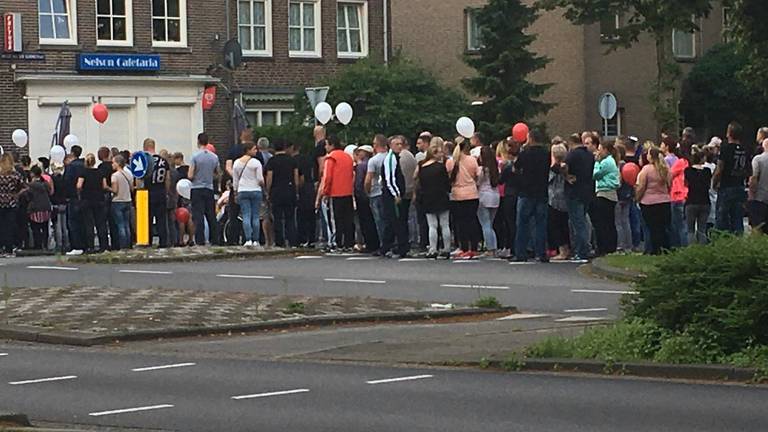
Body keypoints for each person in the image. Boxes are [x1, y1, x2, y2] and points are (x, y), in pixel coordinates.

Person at [514, 128, 550, 263]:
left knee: (523, 224)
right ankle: (541, 253)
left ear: (531, 139)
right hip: (542, 192)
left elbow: (516, 168)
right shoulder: (546, 153)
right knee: (541, 224)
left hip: (526, 192)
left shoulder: (525, 153)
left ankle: (521, 253)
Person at [316, 135, 355, 252]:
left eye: (327, 144)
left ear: (332, 145)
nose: (326, 147)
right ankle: (349, 243)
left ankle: (337, 243)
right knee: (348, 219)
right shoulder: (348, 157)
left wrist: (325, 192)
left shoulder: (331, 158)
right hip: (347, 191)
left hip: (335, 192)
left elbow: (327, 177)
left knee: (336, 220)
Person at [713, 122, 752, 234]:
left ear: (729, 133)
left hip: (727, 186)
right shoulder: (745, 149)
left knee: (722, 219)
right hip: (739, 186)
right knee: (737, 218)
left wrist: (714, 182)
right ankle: (737, 242)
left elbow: (720, 168)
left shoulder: (726, 148)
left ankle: (722, 242)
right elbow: (749, 169)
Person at [416, 139, 452, 259]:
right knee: (444, 224)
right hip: (441, 196)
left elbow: (420, 182)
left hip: (428, 197)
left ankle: (433, 249)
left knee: (432, 225)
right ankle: (446, 248)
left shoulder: (422, 167)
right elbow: (446, 183)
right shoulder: (440, 167)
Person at [447, 139, 481, 259]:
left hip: (457, 195)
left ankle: (464, 247)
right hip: (472, 193)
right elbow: (477, 175)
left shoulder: (451, 162)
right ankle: (474, 248)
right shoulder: (472, 160)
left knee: (461, 223)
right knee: (472, 221)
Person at [565, 134, 595, 260]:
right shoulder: (589, 155)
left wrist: (566, 176)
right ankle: (585, 248)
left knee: (578, 223)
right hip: (587, 191)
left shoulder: (572, 155)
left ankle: (582, 251)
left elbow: (564, 167)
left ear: (571, 143)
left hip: (574, 192)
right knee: (583, 221)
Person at [636, 147, 671, 255]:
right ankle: (665, 249)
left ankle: (654, 250)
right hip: (664, 201)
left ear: (651, 156)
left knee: (652, 228)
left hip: (649, 202)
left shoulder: (646, 169)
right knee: (663, 227)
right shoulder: (665, 169)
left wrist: (637, 198)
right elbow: (670, 185)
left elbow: (641, 186)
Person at [380, 135, 411, 258]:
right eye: (396, 144)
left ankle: (387, 246)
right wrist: (396, 194)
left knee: (393, 222)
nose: (399, 146)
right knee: (397, 222)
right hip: (392, 196)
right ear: (390, 146)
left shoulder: (395, 158)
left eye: (400, 144)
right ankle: (401, 247)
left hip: (394, 194)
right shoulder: (390, 159)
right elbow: (390, 179)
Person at [266, 139, 299, 248]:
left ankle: (279, 241)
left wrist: (268, 190)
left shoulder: (272, 161)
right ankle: (292, 240)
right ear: (284, 147)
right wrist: (296, 190)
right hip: (290, 191)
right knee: (290, 218)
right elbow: (296, 178)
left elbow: (269, 177)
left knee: (278, 218)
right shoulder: (292, 160)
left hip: (276, 192)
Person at [189, 132, 220, 246]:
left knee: (198, 215)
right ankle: (215, 239)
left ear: (198, 142)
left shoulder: (195, 156)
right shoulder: (214, 157)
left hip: (197, 188)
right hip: (209, 187)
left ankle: (200, 240)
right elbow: (217, 173)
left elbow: (190, 175)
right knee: (211, 214)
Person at [591, 140, 620, 256]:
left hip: (605, 193)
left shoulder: (606, 162)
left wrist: (597, 162)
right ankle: (608, 246)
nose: (598, 152)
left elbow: (595, 175)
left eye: (600, 149)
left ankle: (606, 247)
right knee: (608, 221)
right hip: (606, 193)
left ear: (606, 150)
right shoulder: (610, 161)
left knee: (604, 222)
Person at [232, 142, 264, 248]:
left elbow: (235, 180)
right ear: (248, 150)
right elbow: (260, 179)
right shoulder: (256, 163)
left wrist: (236, 192)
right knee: (255, 216)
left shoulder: (236, 163)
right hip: (255, 190)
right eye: (254, 149)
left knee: (246, 215)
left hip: (242, 190)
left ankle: (248, 239)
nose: (256, 151)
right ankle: (256, 239)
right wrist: (263, 186)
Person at [77, 154, 109, 254]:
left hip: (87, 199)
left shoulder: (83, 172)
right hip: (99, 199)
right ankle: (103, 246)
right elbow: (104, 186)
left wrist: (80, 194)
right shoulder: (100, 172)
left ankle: (90, 246)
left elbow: (79, 185)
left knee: (89, 224)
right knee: (101, 224)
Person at [143, 139, 171, 248]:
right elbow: (167, 178)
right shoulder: (163, 161)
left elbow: (139, 178)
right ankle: (163, 242)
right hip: (160, 192)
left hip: (148, 192)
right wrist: (166, 191)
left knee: (148, 219)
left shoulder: (145, 160)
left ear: (145, 147)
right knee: (161, 219)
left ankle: (148, 241)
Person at [365, 134, 389, 254]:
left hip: (375, 192)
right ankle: (390, 243)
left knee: (379, 220)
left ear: (376, 145)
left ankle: (382, 245)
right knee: (388, 219)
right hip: (388, 192)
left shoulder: (373, 160)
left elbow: (368, 179)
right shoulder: (390, 157)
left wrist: (367, 190)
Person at [685, 146, 713, 244]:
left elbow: (686, 184)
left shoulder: (687, 171)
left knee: (690, 229)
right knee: (702, 228)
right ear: (702, 159)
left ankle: (692, 250)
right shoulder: (707, 171)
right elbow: (709, 184)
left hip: (691, 201)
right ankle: (702, 249)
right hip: (705, 201)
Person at [499, 139, 522, 259]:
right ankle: (517, 247)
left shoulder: (507, 167)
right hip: (519, 194)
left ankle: (510, 247)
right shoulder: (521, 167)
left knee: (509, 222)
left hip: (509, 195)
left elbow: (500, 180)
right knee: (518, 222)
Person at [354, 145, 379, 253]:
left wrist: (359, 194)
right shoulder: (372, 163)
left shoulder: (361, 166)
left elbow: (359, 183)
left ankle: (369, 244)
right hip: (372, 194)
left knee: (365, 221)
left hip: (363, 197)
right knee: (373, 220)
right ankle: (376, 243)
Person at [477, 145, 500, 256]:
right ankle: (494, 247)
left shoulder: (483, 169)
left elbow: (478, 183)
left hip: (484, 196)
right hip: (495, 196)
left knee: (485, 224)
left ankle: (490, 249)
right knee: (490, 224)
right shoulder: (495, 168)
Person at [548, 143, 570, 260]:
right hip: (565, 197)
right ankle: (567, 248)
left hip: (554, 198)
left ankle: (562, 250)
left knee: (556, 226)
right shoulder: (566, 166)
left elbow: (548, 180)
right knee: (564, 225)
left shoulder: (554, 168)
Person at [0, 154, 23, 257]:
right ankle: (9, 249)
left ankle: (1, 248)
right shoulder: (15, 175)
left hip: (0, 202)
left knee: (1, 226)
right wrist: (16, 195)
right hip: (11, 202)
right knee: (10, 226)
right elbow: (23, 186)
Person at [64, 145, 85, 255]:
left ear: (72, 153)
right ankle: (85, 245)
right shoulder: (84, 165)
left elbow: (66, 182)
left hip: (73, 198)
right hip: (84, 198)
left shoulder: (71, 166)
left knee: (73, 223)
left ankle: (76, 246)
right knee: (83, 222)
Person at [24, 165, 51, 250]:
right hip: (46, 207)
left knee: (35, 228)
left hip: (35, 208)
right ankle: (45, 245)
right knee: (45, 227)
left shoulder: (31, 185)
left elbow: (28, 196)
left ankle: (38, 245)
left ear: (32, 174)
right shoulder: (45, 184)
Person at [110, 155, 133, 250]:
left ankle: (122, 245)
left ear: (118, 163)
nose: (112, 165)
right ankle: (128, 244)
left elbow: (115, 190)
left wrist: (107, 188)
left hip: (118, 201)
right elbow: (132, 188)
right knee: (127, 224)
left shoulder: (115, 176)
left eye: (113, 162)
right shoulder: (128, 174)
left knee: (120, 225)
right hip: (128, 200)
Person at [749, 138, 768, 233]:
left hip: (760, 198)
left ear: (763, 147)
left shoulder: (758, 159)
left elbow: (754, 178)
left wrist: (751, 195)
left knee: (757, 228)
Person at [50, 162, 68, 252]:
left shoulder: (52, 179)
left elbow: (52, 192)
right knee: (64, 226)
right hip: (64, 203)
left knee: (57, 226)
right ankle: (66, 244)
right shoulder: (64, 179)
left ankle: (59, 245)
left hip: (56, 203)